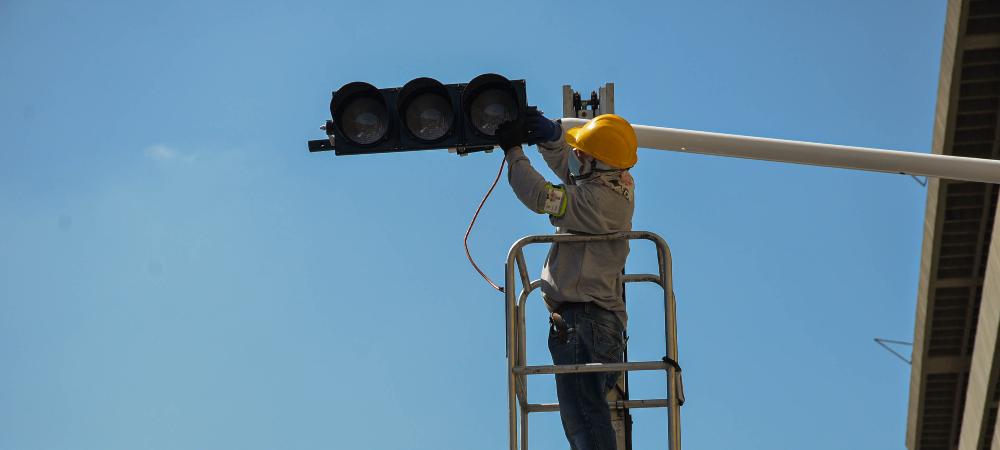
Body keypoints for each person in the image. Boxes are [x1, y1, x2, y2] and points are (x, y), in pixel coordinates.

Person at [496, 110, 638, 450]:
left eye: (584, 154)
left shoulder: (599, 202)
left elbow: (540, 195)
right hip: (592, 322)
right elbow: (569, 167)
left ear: (598, 164)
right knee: (585, 411)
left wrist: (514, 152)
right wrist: (551, 136)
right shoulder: (607, 183)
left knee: (584, 416)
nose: (577, 157)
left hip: (585, 321)